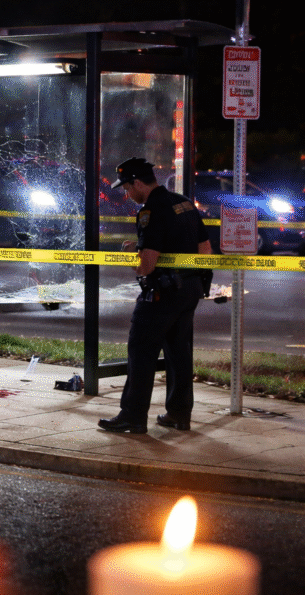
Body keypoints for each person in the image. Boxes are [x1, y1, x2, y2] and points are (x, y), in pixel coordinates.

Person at [98, 157, 211, 434]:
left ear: (137, 183)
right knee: (178, 352)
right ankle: (179, 414)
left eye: (126, 188)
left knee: (141, 350)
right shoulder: (183, 203)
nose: (126, 193)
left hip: (162, 293)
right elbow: (205, 250)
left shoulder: (151, 210)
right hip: (190, 290)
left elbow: (146, 265)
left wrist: (131, 256)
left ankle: (133, 416)